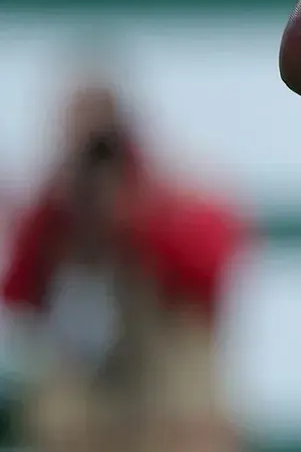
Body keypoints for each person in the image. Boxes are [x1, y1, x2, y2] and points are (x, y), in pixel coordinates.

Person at [1, 77, 247, 452]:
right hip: (84, 426)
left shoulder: (180, 201)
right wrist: (55, 212)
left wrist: (138, 218)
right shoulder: (55, 217)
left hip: (172, 426)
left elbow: (209, 273)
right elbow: (17, 296)